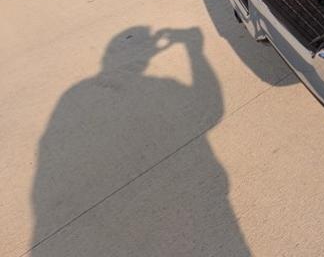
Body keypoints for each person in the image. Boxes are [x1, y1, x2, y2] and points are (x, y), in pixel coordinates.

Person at [31, 26, 250, 255]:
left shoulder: (74, 96)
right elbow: (210, 110)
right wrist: (194, 48)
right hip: (189, 216)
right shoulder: (162, 87)